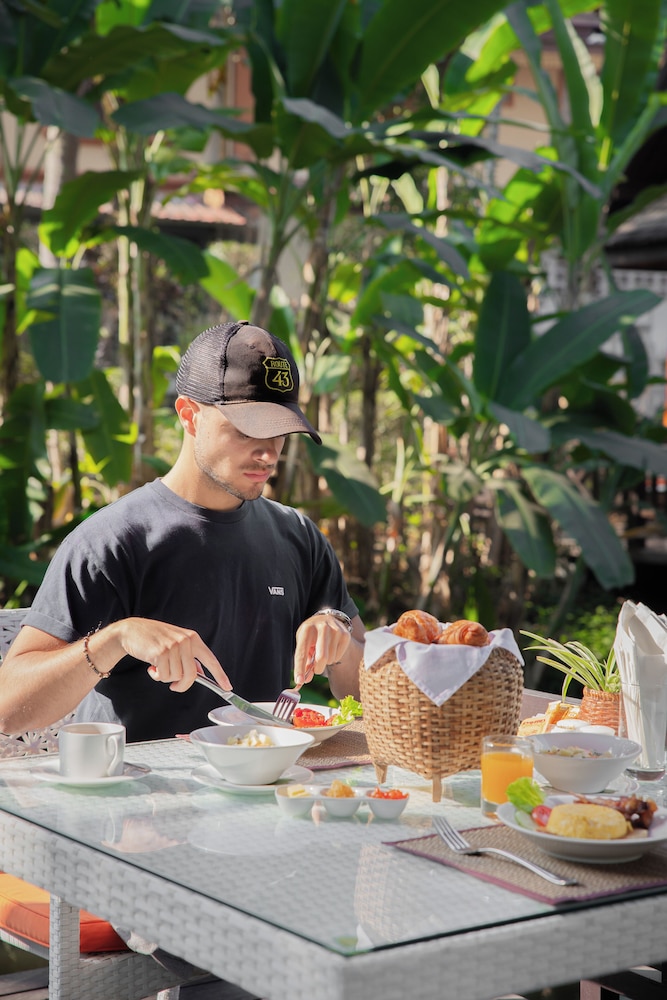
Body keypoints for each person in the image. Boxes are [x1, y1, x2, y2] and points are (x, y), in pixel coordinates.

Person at [0, 320, 364, 742]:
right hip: (140, 798)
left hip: (268, 793)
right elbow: (9, 708)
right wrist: (115, 639)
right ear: (189, 415)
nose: (269, 452)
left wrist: (340, 646)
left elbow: (362, 691)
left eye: (281, 431)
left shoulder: (299, 538)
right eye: (247, 430)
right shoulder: (111, 541)